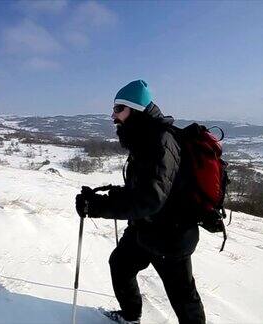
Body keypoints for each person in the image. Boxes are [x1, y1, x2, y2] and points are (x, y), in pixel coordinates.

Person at [75, 80, 205, 324]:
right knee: (120, 265)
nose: (113, 116)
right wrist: (102, 196)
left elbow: (149, 198)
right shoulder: (143, 137)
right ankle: (130, 316)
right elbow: (141, 187)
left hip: (171, 234)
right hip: (146, 229)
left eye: (118, 109)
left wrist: (98, 208)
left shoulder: (159, 142)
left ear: (135, 109)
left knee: (183, 297)